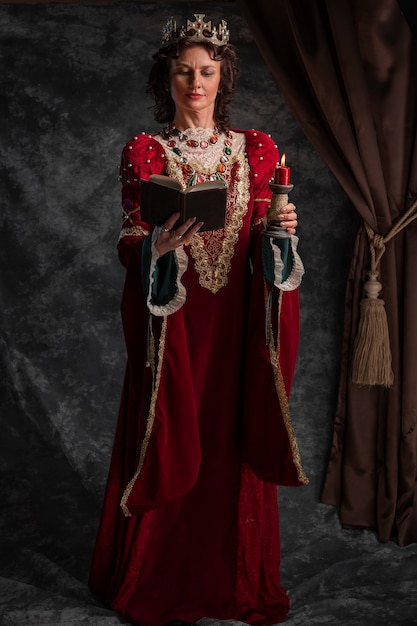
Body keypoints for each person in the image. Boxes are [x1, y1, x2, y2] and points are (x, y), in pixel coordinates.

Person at [89, 12, 308, 626]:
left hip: (236, 331)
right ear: (168, 76)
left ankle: (235, 581)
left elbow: (265, 240)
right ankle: (154, 575)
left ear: (223, 77)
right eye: (184, 71)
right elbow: (131, 236)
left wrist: (281, 234)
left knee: (230, 439)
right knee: (168, 426)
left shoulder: (257, 150)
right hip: (176, 327)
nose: (196, 83)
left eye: (207, 71)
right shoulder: (144, 151)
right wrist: (153, 248)